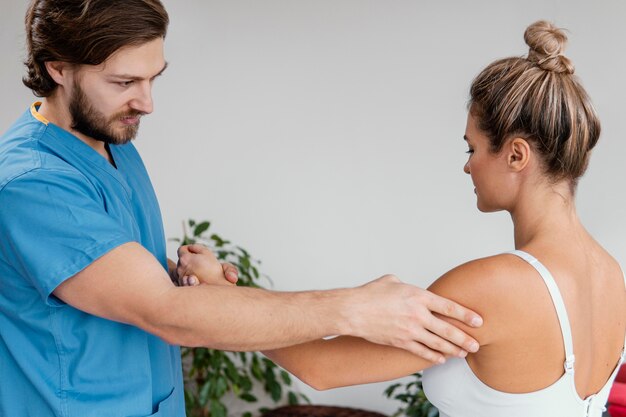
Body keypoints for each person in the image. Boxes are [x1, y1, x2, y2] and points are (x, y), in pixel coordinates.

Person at [0, 1, 483, 416]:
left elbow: (98, 270)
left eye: (153, 78)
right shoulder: (34, 183)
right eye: (124, 81)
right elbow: (166, 314)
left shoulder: (108, 138)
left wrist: (184, 276)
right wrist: (354, 308)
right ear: (57, 68)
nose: (146, 103)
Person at [257, 21, 626, 417]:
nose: (468, 167)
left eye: (472, 149)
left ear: (517, 155)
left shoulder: (497, 286)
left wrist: (222, 287)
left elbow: (320, 367)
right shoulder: (610, 273)